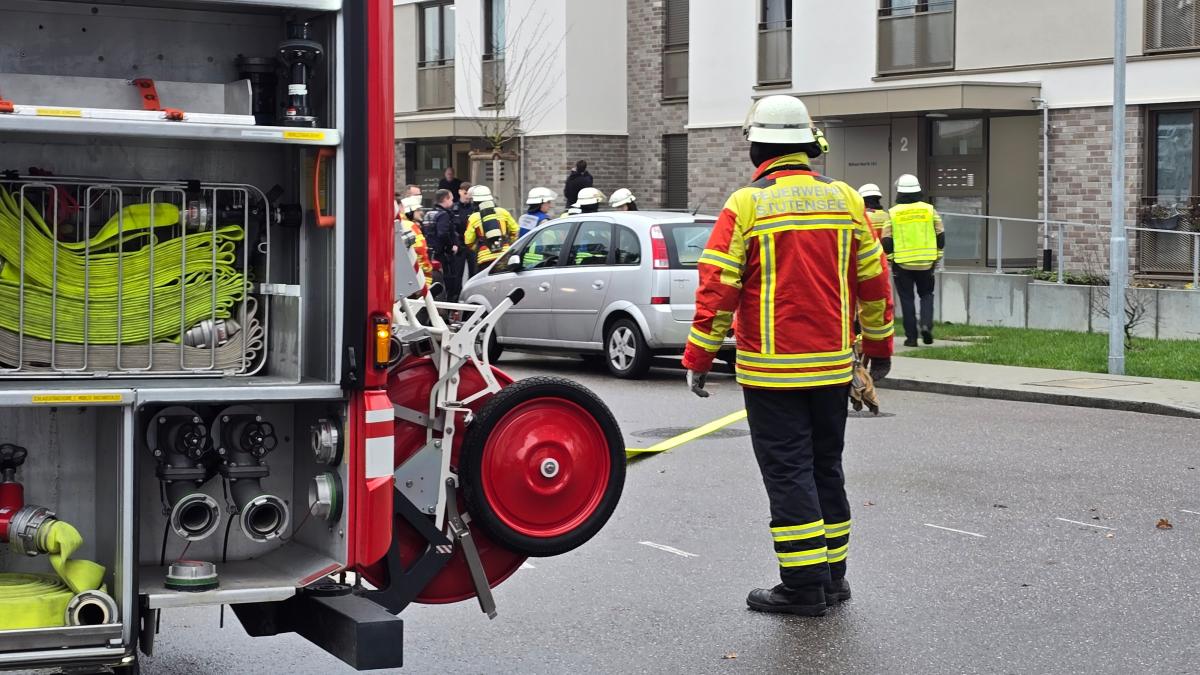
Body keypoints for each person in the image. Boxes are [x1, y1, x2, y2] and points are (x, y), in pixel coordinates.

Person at [682, 95, 894, 617]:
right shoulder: (846, 200)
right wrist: (880, 349)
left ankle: (802, 588)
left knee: (789, 473)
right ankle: (833, 579)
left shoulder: (747, 205)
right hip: (830, 369)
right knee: (826, 468)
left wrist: (699, 358)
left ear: (758, 146)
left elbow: (717, 289)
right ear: (806, 145)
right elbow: (874, 281)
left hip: (772, 373)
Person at [884, 174, 944, 347]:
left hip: (902, 264)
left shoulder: (893, 213)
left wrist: (891, 259)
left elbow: (887, 241)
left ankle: (911, 338)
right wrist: (937, 257)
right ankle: (926, 325)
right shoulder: (929, 210)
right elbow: (940, 235)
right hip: (926, 263)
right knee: (926, 295)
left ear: (899, 192)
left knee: (906, 298)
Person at [463, 185, 521, 270]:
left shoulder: (473, 217)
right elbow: (515, 231)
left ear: (475, 201)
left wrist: (478, 248)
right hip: (504, 255)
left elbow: (468, 241)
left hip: (484, 258)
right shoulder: (503, 212)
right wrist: (510, 243)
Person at [423, 189, 465, 301]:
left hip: (430, 253)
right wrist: (452, 246)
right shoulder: (443, 215)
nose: (452, 202)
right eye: (451, 199)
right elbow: (443, 234)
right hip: (443, 255)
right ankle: (447, 308)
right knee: (449, 282)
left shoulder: (428, 214)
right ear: (445, 199)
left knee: (434, 282)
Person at [399, 196, 434, 286]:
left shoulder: (396, 223)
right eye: (418, 210)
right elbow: (420, 250)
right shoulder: (410, 226)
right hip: (416, 275)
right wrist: (428, 270)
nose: (421, 213)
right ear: (410, 212)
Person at [455, 182, 479, 277]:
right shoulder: (454, 208)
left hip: (472, 245)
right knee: (457, 273)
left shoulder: (474, 209)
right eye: (465, 194)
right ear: (460, 192)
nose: (467, 197)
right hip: (459, 244)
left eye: (469, 195)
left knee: (474, 272)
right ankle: (456, 292)